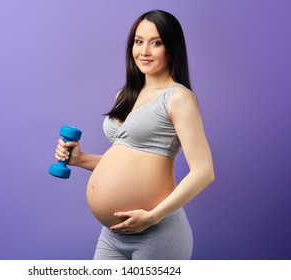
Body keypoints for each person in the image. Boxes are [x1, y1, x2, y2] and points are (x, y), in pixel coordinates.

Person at [54, 10, 214, 260]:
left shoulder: (178, 98)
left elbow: (204, 172)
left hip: (156, 234)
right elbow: (128, 160)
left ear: (171, 48)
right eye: (139, 41)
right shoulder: (125, 95)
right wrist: (80, 159)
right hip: (112, 234)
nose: (144, 51)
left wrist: (153, 217)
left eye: (156, 42)